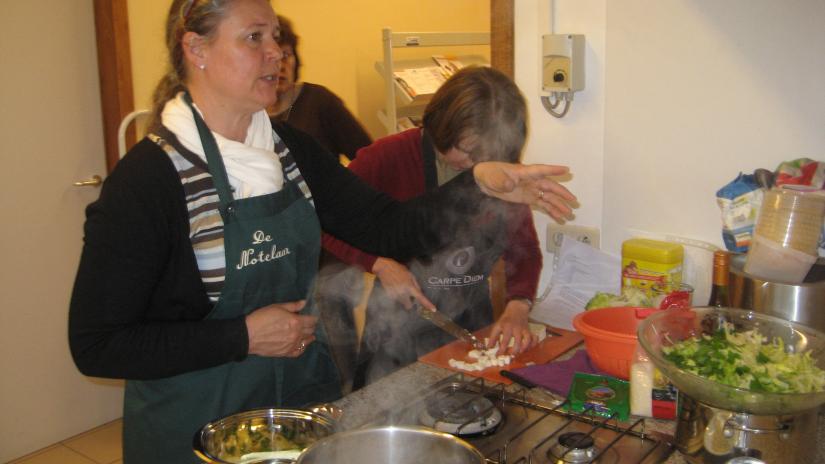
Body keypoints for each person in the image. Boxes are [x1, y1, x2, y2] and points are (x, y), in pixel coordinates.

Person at [68, 1, 576, 462]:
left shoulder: (290, 151)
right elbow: (97, 344)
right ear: (196, 49)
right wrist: (242, 336)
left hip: (298, 404)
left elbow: (388, 229)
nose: (276, 52)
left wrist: (477, 182)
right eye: (254, 38)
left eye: (276, 36)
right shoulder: (148, 180)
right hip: (196, 428)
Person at [322, 66, 543, 389]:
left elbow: (525, 252)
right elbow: (324, 221)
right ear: (442, 126)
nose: (476, 166)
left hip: (471, 326)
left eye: (488, 156)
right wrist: (379, 264)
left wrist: (518, 306)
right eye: (469, 152)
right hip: (393, 331)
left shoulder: (501, 175)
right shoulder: (389, 157)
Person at [268, 14, 371, 161]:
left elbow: (369, 158)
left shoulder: (319, 101)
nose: (281, 66)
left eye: (286, 55)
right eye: (272, 58)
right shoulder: (248, 112)